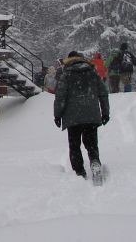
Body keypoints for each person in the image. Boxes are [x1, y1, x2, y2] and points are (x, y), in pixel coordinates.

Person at [53, 51, 109, 179]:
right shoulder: (92, 73)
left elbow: (60, 97)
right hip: (91, 115)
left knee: (74, 146)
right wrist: (105, 112)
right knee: (91, 144)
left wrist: (57, 115)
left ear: (68, 60)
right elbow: (103, 93)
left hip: (72, 117)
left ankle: (79, 172)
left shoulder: (66, 75)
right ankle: (95, 162)